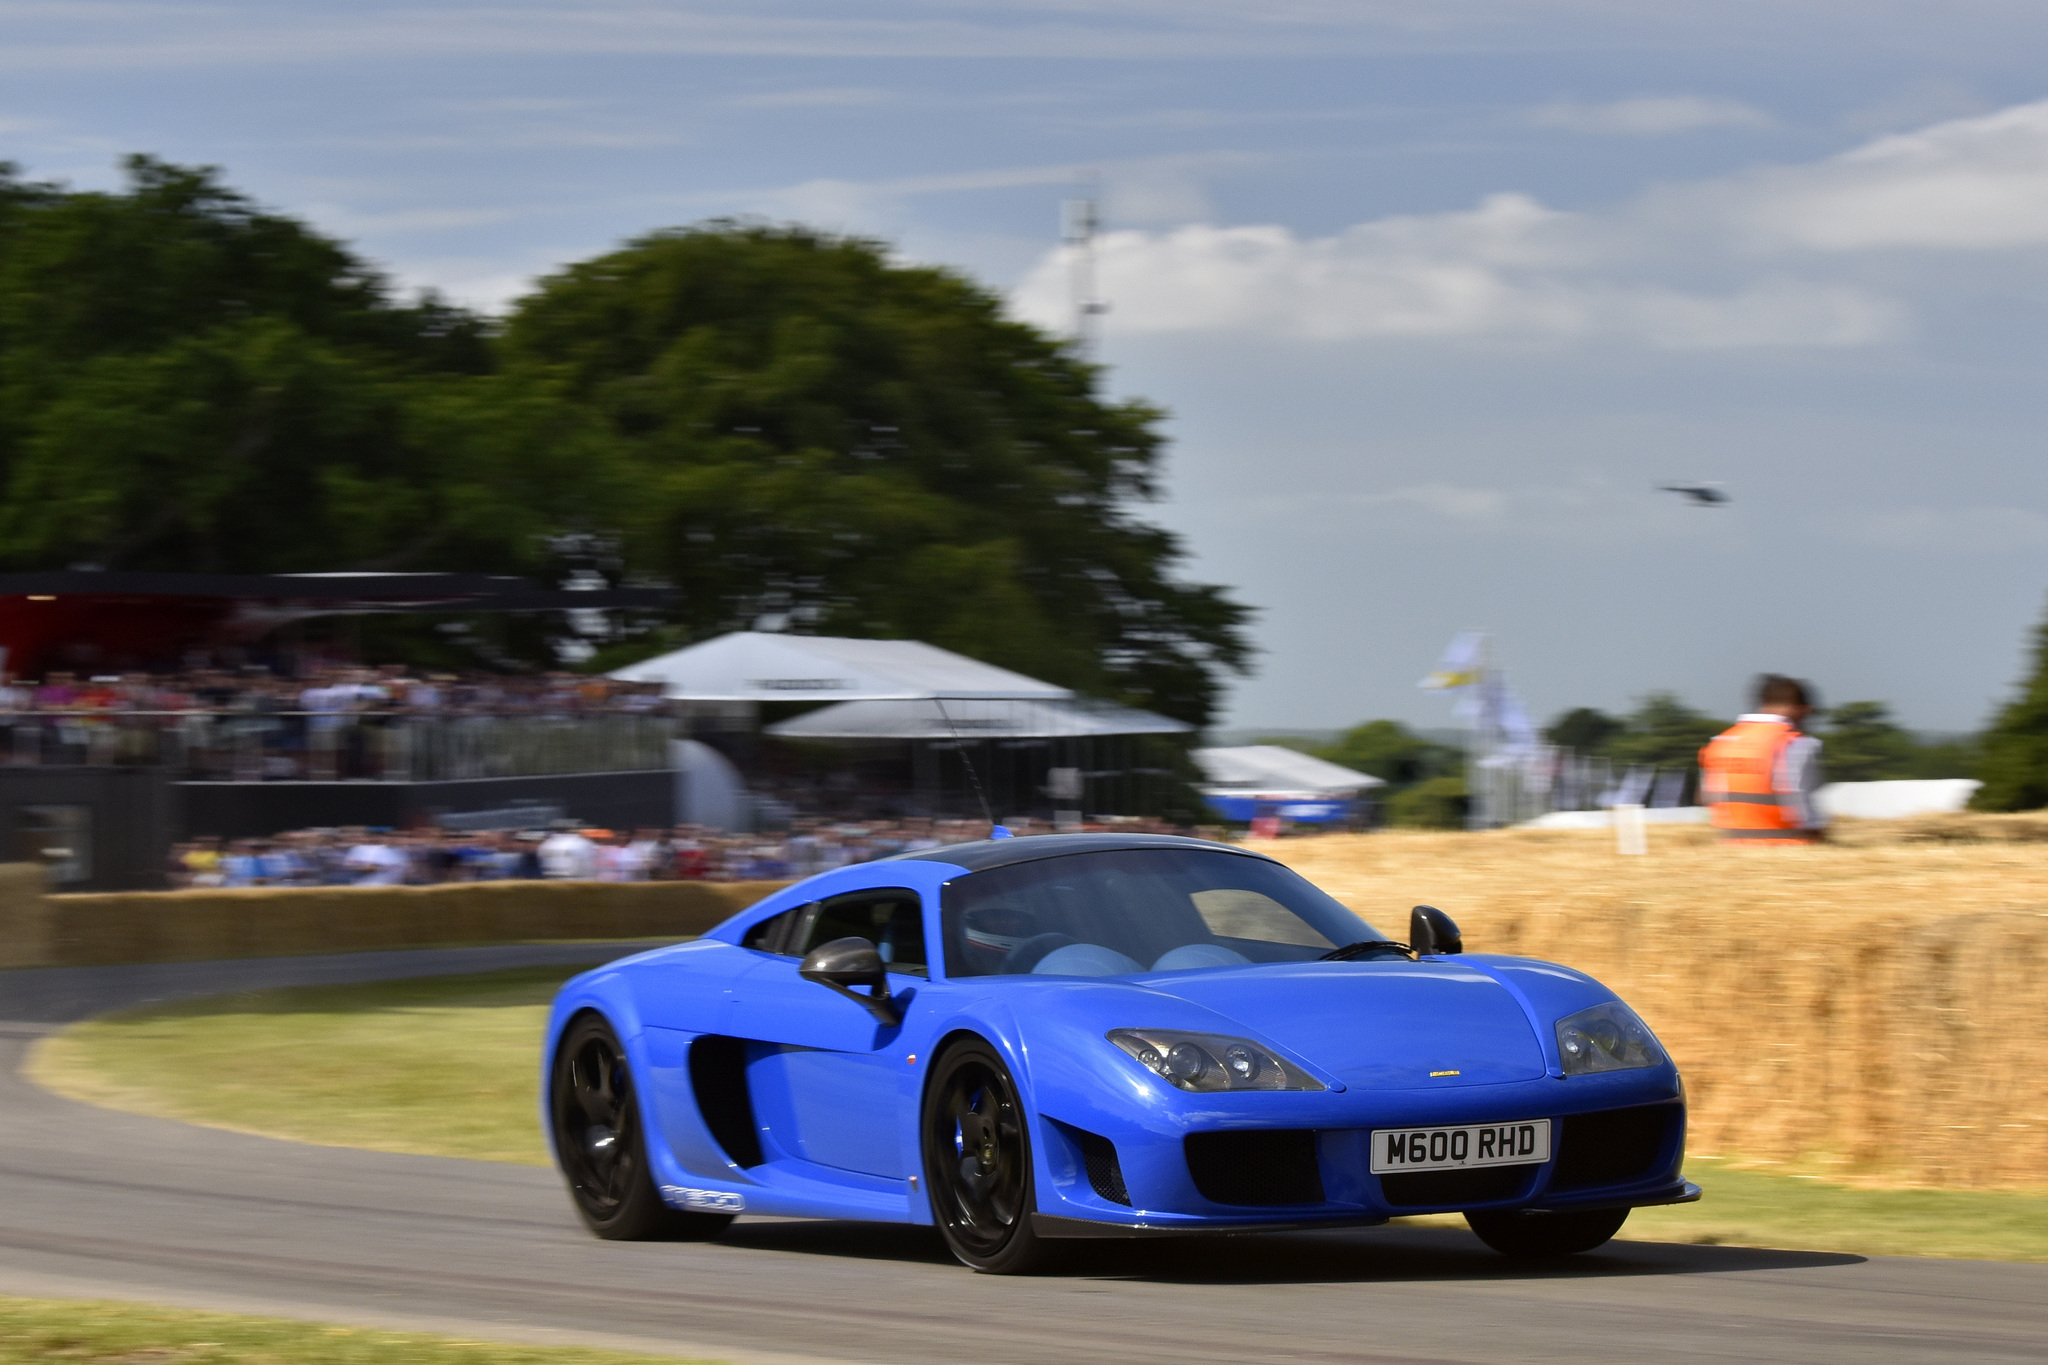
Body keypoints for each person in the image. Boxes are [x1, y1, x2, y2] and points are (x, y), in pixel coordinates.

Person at [1699, 675, 1827, 843]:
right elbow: (1803, 810)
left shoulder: (1721, 742)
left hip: (1731, 850)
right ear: (1802, 709)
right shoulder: (1796, 744)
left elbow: (1707, 799)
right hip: (1789, 850)